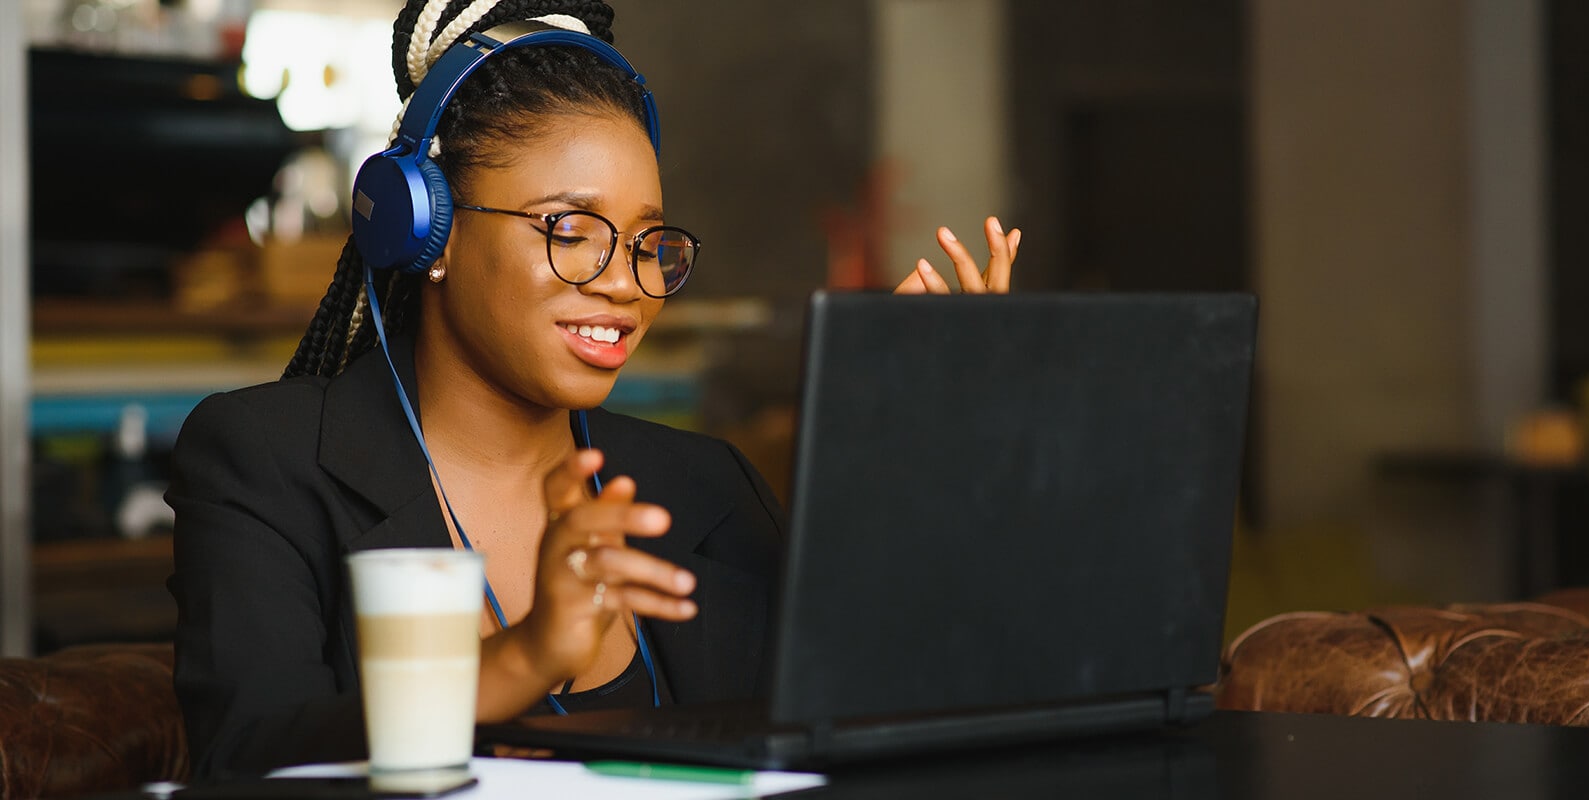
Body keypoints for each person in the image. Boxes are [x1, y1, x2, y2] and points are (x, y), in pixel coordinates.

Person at [166, 0, 1021, 779]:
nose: (625, 283)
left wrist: (907, 444)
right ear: (427, 231)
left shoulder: (706, 489)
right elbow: (246, 758)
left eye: (650, 244)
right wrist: (523, 660)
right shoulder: (268, 462)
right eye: (572, 231)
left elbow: (870, 723)